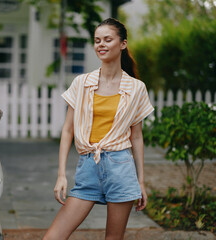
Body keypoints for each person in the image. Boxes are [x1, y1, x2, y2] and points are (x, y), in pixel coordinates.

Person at [43, 18, 154, 240]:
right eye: (97, 40)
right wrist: (61, 175)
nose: (100, 45)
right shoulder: (81, 83)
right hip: (88, 167)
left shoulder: (136, 88)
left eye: (107, 39)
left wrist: (140, 181)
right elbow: (68, 130)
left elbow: (137, 137)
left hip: (121, 168)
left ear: (122, 44)